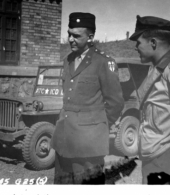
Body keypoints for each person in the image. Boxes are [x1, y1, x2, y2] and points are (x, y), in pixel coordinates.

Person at [51, 12, 124, 184]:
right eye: (69, 34)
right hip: (64, 140)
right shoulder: (68, 60)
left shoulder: (104, 62)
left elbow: (115, 102)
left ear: (90, 37)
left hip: (88, 145)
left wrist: (96, 127)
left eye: (76, 36)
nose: (70, 39)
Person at [129, 15, 170, 184]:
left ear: (153, 43)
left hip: (165, 159)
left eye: (138, 42)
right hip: (153, 157)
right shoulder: (156, 69)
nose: (135, 47)